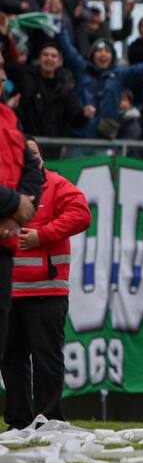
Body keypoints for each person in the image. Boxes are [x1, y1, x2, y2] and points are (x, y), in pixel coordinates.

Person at [2, 136, 90, 429]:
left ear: (42, 158)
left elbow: (81, 214)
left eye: (34, 154)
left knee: (46, 358)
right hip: (10, 291)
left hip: (46, 290)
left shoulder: (56, 185)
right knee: (11, 359)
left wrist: (42, 234)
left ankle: (49, 420)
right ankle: (18, 423)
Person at [50, 0, 143, 140]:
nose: (103, 55)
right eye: (99, 51)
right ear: (92, 55)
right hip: (78, 137)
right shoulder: (82, 68)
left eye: (107, 51)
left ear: (112, 56)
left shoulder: (119, 75)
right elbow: (66, 47)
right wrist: (57, 18)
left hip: (104, 139)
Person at [0, 70, 44, 362]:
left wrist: (16, 215)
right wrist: (14, 204)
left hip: (4, 241)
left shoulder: (9, 119)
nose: (3, 78)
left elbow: (31, 168)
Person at [6, 42, 93, 157]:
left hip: (54, 150)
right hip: (27, 147)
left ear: (59, 61)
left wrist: (84, 115)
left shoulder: (65, 89)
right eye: (45, 55)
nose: (49, 58)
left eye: (53, 56)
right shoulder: (26, 78)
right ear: (39, 58)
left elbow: (75, 120)